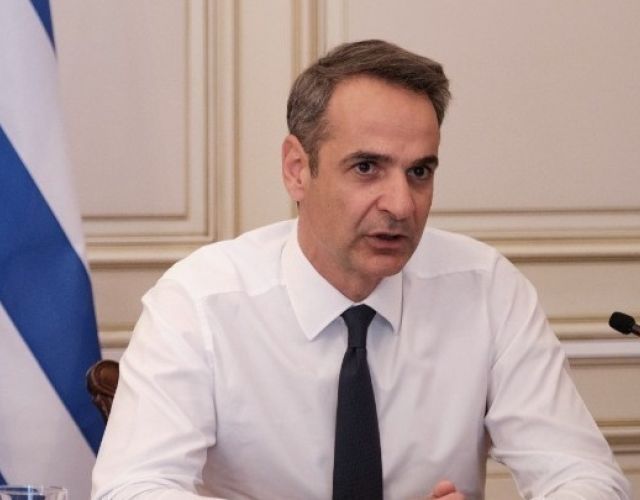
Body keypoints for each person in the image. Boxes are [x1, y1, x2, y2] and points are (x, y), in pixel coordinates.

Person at [91, 40, 630, 500]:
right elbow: (131, 487)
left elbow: (585, 476)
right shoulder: (199, 302)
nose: (401, 204)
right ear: (297, 170)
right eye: (367, 167)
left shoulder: (486, 289)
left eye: (419, 172)